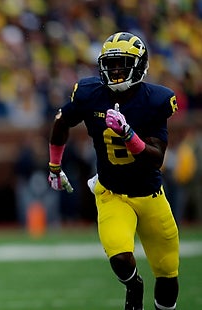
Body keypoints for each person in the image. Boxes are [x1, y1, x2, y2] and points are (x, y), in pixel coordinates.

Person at [47, 32, 180, 310]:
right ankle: (134, 285)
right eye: (112, 64)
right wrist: (54, 166)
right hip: (112, 193)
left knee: (168, 276)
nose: (116, 70)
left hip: (150, 195)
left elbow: (156, 158)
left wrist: (129, 135)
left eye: (122, 64)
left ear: (140, 65)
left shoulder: (156, 100)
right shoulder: (89, 94)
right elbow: (61, 122)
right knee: (120, 257)